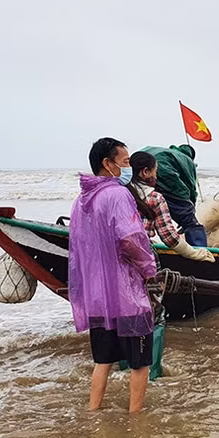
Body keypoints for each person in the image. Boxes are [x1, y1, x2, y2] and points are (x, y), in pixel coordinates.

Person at [68, 137, 158, 413]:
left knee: (103, 361)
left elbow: (78, 249)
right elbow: (131, 239)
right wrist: (149, 267)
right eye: (125, 162)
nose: (127, 167)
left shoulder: (81, 201)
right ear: (107, 164)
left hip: (97, 297)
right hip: (126, 295)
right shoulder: (118, 195)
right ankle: (136, 418)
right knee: (141, 363)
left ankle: (93, 412)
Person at [127, 151, 215, 262]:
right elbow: (168, 236)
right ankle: (200, 251)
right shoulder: (155, 198)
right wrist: (195, 254)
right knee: (191, 223)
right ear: (145, 172)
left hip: (112, 254)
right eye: (155, 171)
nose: (156, 176)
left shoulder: (118, 192)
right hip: (139, 258)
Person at [142, 144, 207, 246]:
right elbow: (191, 188)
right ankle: (200, 250)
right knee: (188, 218)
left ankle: (143, 241)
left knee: (142, 210)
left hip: (138, 172)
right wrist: (189, 212)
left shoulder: (163, 151)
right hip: (164, 173)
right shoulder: (187, 160)